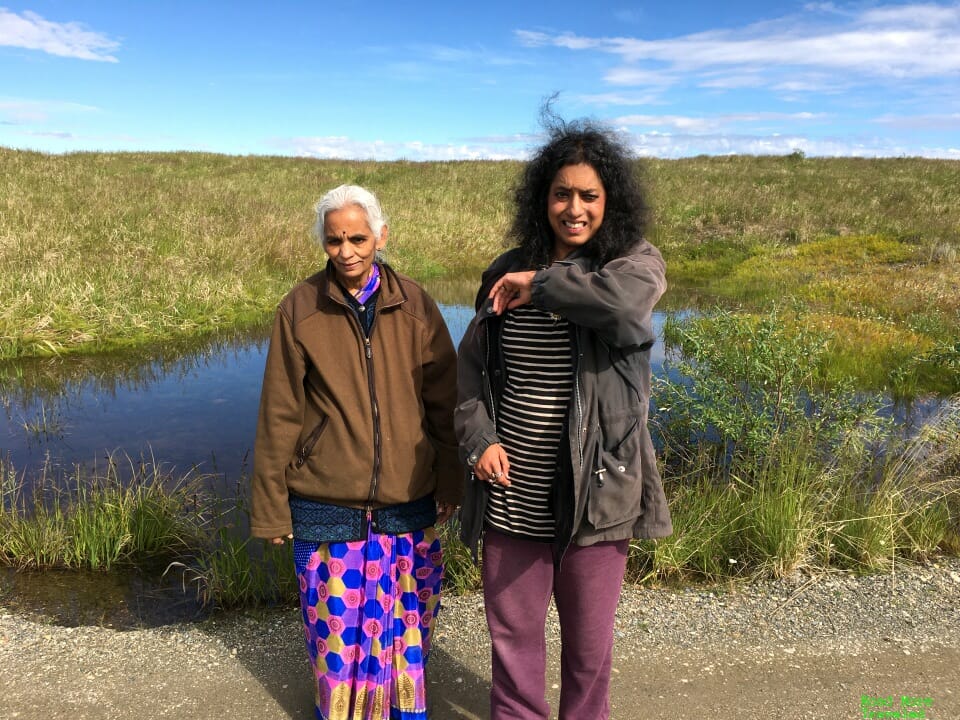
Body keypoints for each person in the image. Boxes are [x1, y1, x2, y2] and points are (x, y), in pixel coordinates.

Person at [454, 119, 672, 720]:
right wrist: (478, 441)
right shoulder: (506, 267)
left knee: (588, 653)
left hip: (597, 495)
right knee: (514, 647)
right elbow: (469, 370)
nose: (573, 208)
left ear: (611, 202)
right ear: (541, 197)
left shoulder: (634, 264)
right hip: (511, 492)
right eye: (561, 193)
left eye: (589, 195)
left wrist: (542, 284)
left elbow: (623, 308)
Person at [251, 184, 462, 720]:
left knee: (408, 628)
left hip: (407, 497)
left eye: (358, 238)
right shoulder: (300, 307)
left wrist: (453, 480)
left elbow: (443, 403)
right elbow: (280, 412)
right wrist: (271, 505)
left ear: (381, 236)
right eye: (334, 240)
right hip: (327, 501)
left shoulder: (416, 305)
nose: (346, 250)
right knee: (334, 638)